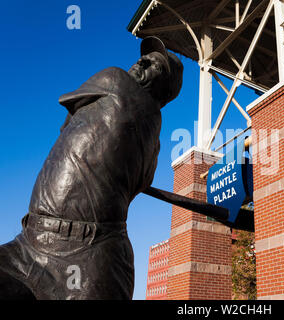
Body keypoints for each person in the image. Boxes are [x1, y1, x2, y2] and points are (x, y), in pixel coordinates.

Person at [0, 37, 183, 300]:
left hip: (93, 252)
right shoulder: (151, 136)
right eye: (145, 58)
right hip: (34, 243)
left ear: (165, 87)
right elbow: (138, 184)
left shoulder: (116, 81)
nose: (141, 61)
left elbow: (68, 123)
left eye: (155, 65)